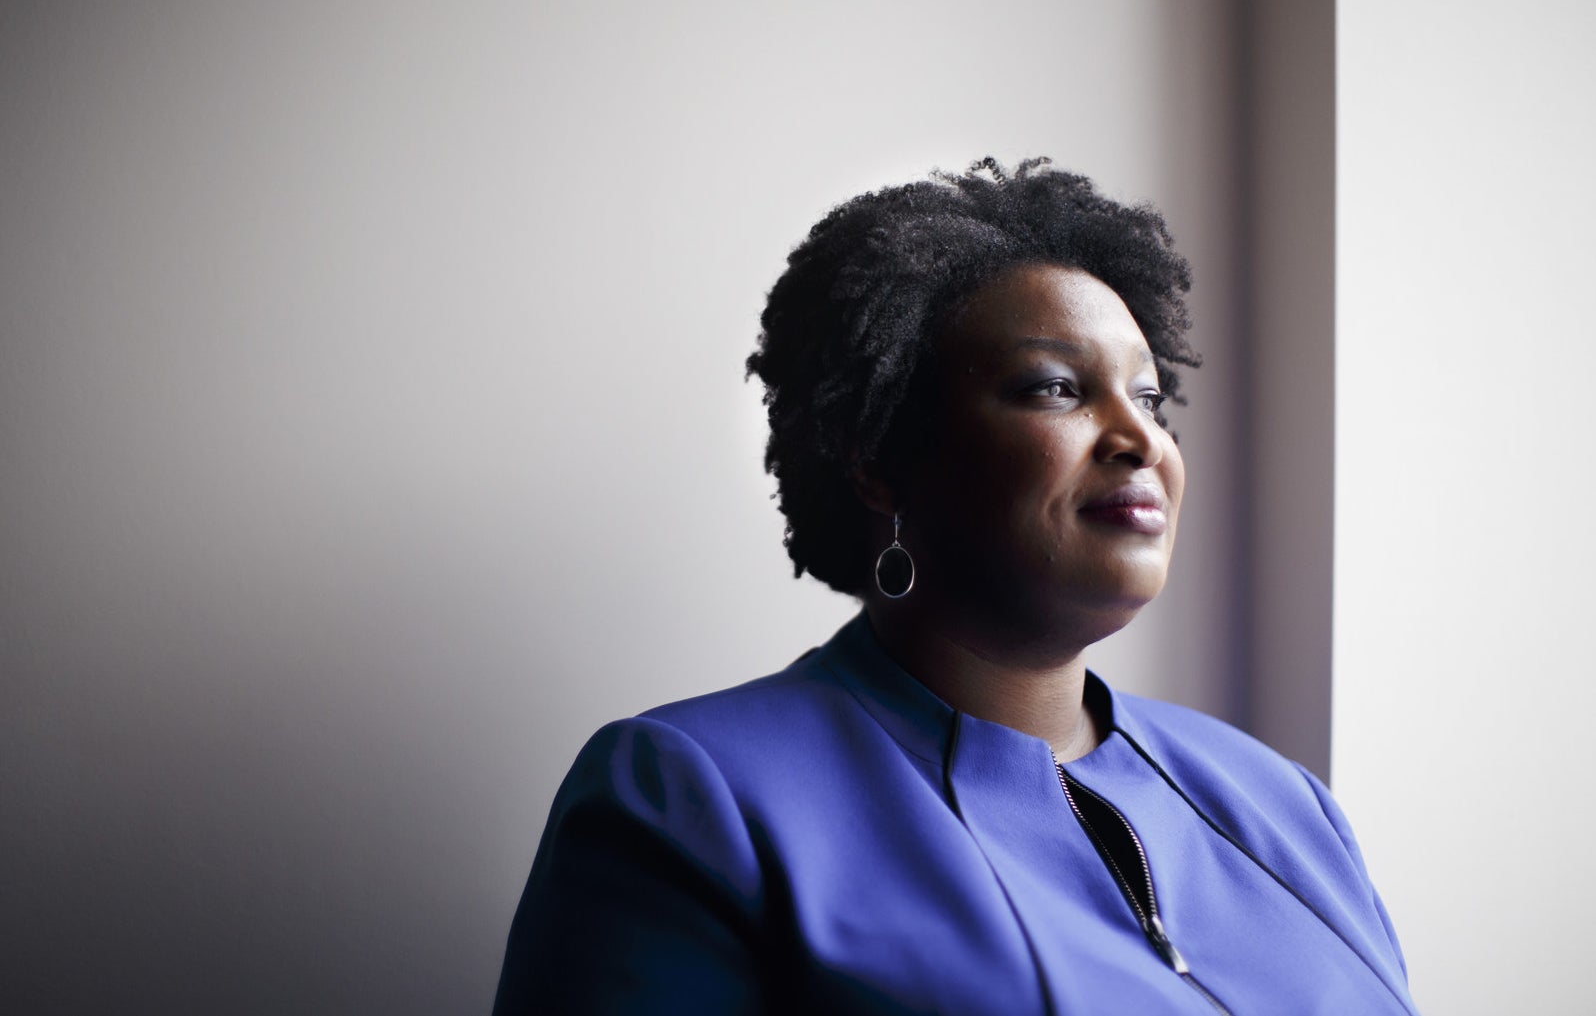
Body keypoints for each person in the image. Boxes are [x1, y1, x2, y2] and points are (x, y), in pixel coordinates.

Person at [492, 158, 1418, 1015]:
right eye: (1056, 388)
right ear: (880, 462)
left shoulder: (1283, 803)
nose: (1141, 440)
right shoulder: (692, 798)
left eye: (1150, 398)